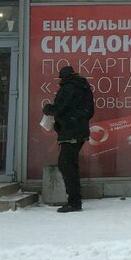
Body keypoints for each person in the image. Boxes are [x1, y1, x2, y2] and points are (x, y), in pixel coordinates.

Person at [42, 65, 94, 213]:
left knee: (66, 165)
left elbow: (58, 108)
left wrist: (47, 108)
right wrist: (79, 119)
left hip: (70, 132)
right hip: (79, 131)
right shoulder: (84, 88)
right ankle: (75, 200)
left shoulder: (68, 88)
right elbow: (90, 111)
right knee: (70, 165)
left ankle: (74, 202)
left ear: (62, 78)